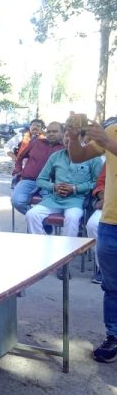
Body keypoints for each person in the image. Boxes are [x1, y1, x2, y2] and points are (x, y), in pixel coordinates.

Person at [65, 115, 117, 363]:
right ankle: (113, 336)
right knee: (112, 286)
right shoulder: (113, 130)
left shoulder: (110, 136)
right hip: (110, 222)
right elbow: (78, 157)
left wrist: (108, 142)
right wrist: (74, 137)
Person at [26, 131, 102, 278]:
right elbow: (41, 180)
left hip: (77, 200)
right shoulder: (56, 156)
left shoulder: (93, 158)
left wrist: (75, 188)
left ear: (82, 138)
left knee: (72, 218)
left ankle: (64, 262)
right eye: (67, 136)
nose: (69, 139)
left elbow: (97, 183)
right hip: (54, 198)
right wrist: (54, 186)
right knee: (31, 215)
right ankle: (46, 254)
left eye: (74, 136)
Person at [11, 121, 65, 215]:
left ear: (62, 133)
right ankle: (39, 220)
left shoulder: (65, 148)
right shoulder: (36, 142)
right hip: (29, 180)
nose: (51, 134)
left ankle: (38, 218)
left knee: (52, 205)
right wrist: (18, 170)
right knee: (17, 201)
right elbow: (20, 157)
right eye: (49, 131)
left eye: (55, 131)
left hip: (50, 184)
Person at [86, 165, 106, 284]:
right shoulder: (112, 159)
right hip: (109, 203)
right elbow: (100, 184)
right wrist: (103, 196)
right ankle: (102, 267)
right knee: (92, 225)